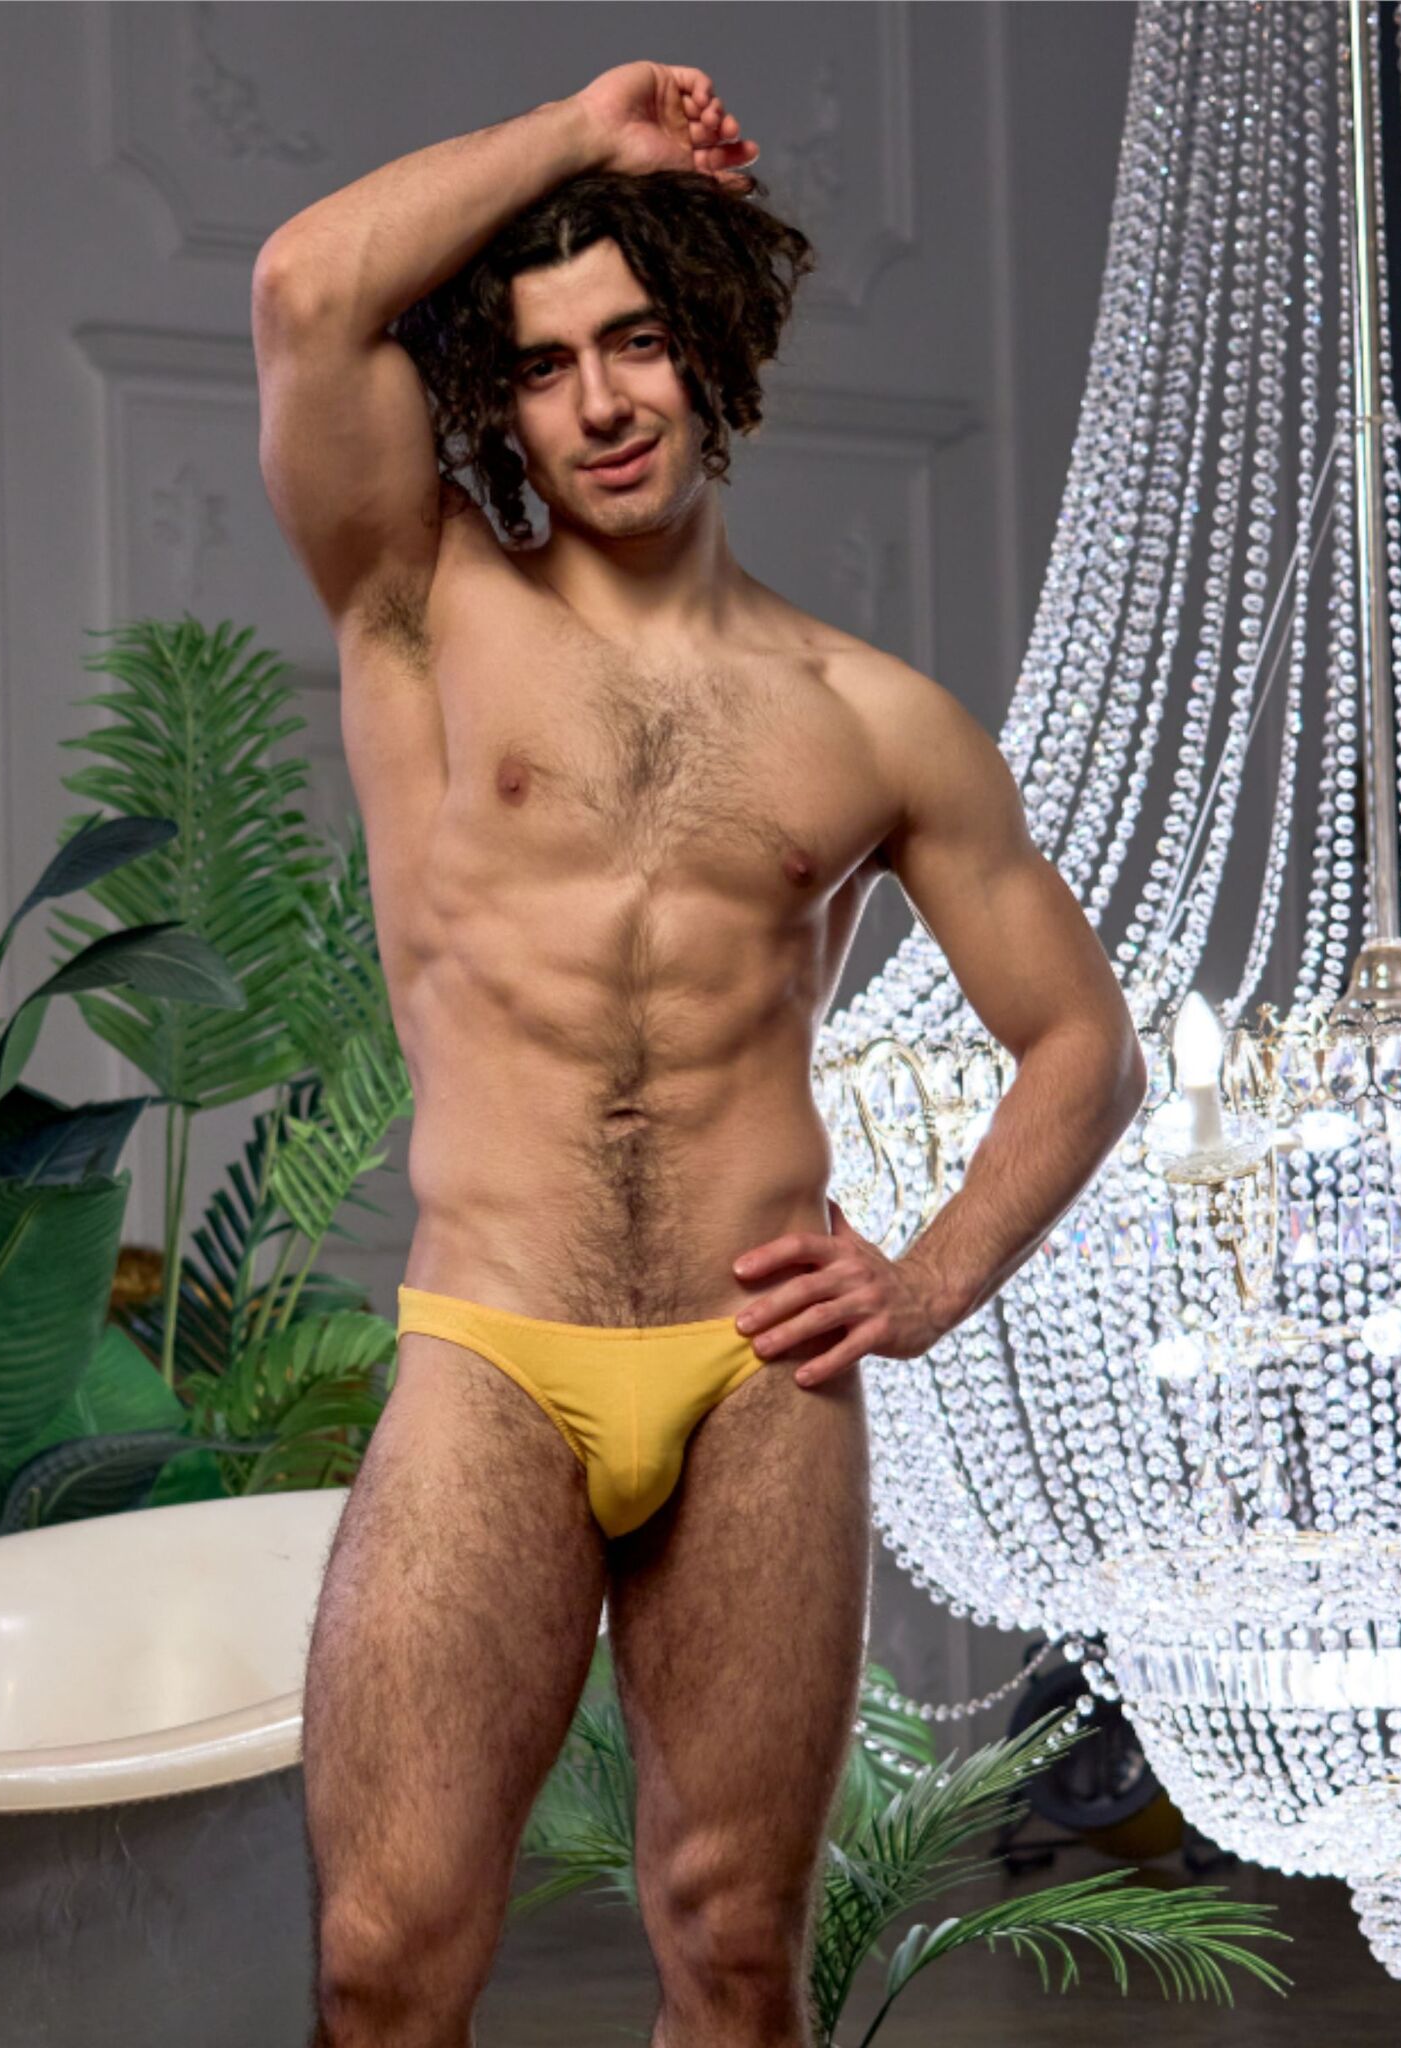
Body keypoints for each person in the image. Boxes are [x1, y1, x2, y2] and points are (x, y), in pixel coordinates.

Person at [251, 60, 1146, 2048]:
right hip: (496, 1346)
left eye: (636, 339)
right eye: (544, 362)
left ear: (708, 345)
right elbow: (309, 287)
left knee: (740, 1963)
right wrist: (583, 133)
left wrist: (928, 1279)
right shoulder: (421, 599)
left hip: (758, 1383)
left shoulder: (872, 717)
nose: (600, 400)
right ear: (497, 401)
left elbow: (1082, 1041)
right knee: (385, 1956)